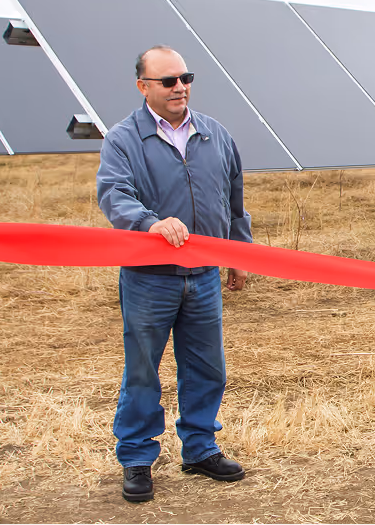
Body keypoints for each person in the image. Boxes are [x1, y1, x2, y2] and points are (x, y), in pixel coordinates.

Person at [96, 45, 252, 503]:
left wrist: (239, 253)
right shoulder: (123, 139)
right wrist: (150, 222)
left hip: (203, 275)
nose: (179, 86)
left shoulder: (215, 134)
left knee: (207, 367)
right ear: (142, 86)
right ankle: (137, 458)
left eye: (185, 77)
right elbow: (113, 194)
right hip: (150, 276)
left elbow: (234, 198)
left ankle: (200, 448)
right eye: (168, 81)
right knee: (143, 370)